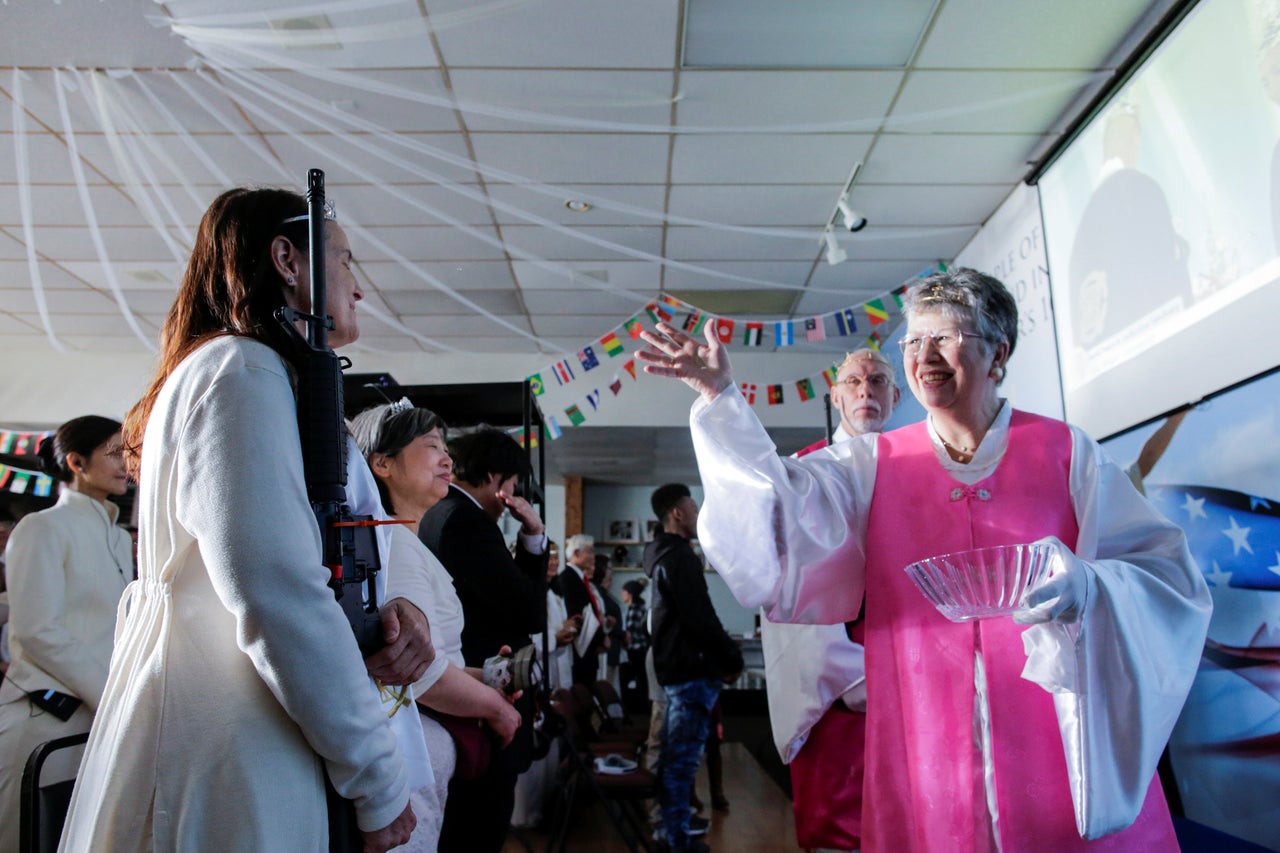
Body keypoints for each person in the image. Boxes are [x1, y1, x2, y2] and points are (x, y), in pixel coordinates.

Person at [638, 268, 1212, 851]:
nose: (924, 355)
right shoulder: (873, 465)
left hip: (1055, 748)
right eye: (914, 340)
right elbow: (779, 517)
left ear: (998, 354)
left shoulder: (1067, 453)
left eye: (946, 336)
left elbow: (1165, 575)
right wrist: (721, 402)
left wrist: (1091, 588)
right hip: (927, 743)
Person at [59, 187, 435, 852]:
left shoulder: (260, 376)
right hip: (239, 737)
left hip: (260, 719)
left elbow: (323, 560)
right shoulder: (243, 368)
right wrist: (376, 776)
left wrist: (394, 617)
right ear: (287, 260)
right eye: (345, 261)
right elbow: (275, 589)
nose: (359, 287)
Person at [351, 400, 523, 851]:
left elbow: (432, 659)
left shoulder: (403, 538)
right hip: (415, 746)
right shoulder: (395, 545)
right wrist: (497, 708)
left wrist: (484, 677)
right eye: (431, 447)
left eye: (446, 447)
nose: (447, 459)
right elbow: (420, 674)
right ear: (382, 464)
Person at [761, 347, 900, 852]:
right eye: (855, 380)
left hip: (915, 683)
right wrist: (853, 675)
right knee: (844, 831)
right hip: (840, 692)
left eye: (880, 380)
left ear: (897, 395)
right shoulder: (804, 475)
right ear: (835, 394)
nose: (867, 390)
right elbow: (789, 589)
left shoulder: (920, 469)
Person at [0, 416, 131, 850]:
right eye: (113, 452)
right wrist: (112, 696)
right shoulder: (42, 528)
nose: (125, 464)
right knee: (25, 838)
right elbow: (39, 631)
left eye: (125, 453)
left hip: (96, 722)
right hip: (44, 720)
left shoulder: (115, 536)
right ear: (76, 461)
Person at [418, 427, 547, 853]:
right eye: (512, 484)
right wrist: (532, 536)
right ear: (496, 479)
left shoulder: (443, 513)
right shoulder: (467, 522)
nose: (512, 494)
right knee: (481, 823)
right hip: (481, 684)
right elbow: (528, 610)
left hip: (466, 677)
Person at [644, 483, 743, 853]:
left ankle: (670, 833)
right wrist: (730, 658)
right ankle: (675, 841)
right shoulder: (679, 558)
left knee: (676, 759)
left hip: (676, 671)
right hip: (688, 673)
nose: (699, 512)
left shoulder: (663, 555)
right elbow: (699, 617)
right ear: (678, 514)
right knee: (681, 763)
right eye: (693, 505)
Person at [559, 534, 610, 687]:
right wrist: (600, 638)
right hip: (579, 649)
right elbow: (577, 615)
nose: (593, 557)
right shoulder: (568, 578)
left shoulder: (579, 578)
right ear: (577, 553)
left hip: (588, 648)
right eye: (590, 552)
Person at [621, 579, 650, 708]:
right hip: (643, 648)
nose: (622, 594)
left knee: (631, 678)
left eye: (624, 592)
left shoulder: (633, 609)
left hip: (635, 650)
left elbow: (630, 631)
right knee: (642, 678)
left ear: (630, 594)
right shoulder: (642, 607)